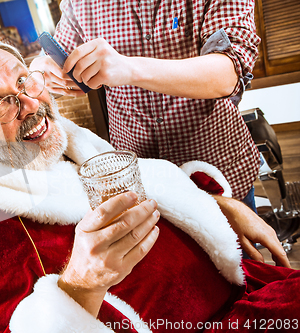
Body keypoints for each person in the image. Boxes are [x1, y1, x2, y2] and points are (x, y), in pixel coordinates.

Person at [0, 39, 297, 333]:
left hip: (246, 290)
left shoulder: (72, 146)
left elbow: (155, 186)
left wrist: (216, 204)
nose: (29, 103)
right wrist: (80, 287)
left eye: (23, 79)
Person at [29, 0, 261, 211]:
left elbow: (230, 73)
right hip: (139, 176)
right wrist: (43, 69)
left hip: (216, 167)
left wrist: (129, 69)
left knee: (238, 256)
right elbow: (59, 58)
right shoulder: (80, 4)